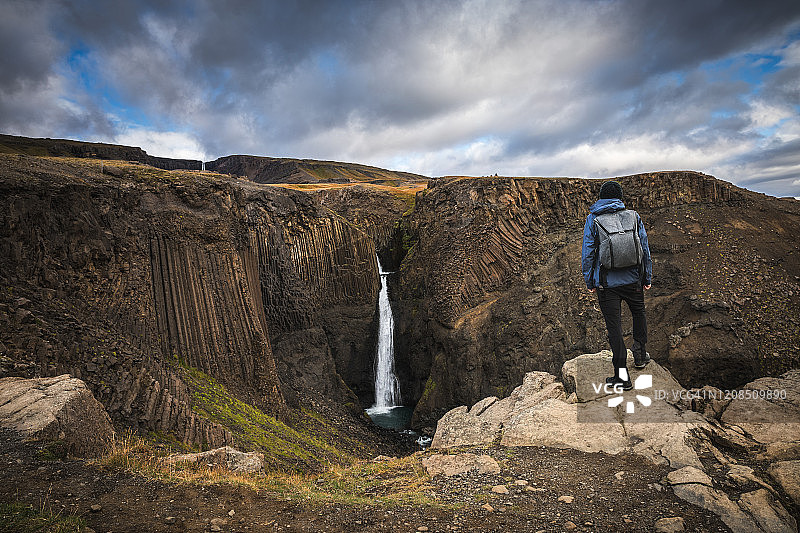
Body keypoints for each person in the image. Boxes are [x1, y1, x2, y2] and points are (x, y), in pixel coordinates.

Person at [581, 181, 652, 390]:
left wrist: (589, 280)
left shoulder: (593, 219)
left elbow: (588, 253)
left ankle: (622, 377)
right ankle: (640, 356)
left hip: (607, 284)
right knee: (639, 314)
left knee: (615, 329)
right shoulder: (633, 216)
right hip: (633, 279)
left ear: (601, 198)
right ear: (620, 198)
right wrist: (646, 277)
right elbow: (645, 248)